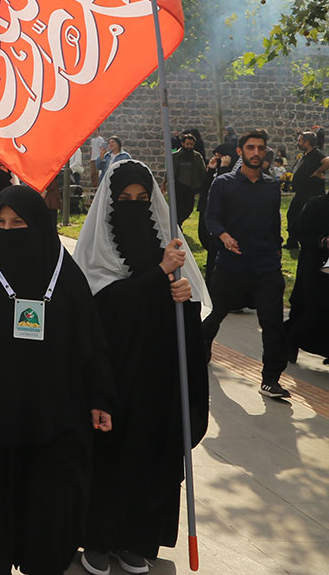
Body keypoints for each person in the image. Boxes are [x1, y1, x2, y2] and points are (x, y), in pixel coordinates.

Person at [0, 186, 115, 575]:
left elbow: (91, 341)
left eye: (19, 223)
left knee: (49, 512)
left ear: (39, 225)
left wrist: (99, 397)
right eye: (0, 223)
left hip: (56, 416)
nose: (8, 230)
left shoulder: (65, 274)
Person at [73, 160, 209, 575]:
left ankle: (137, 540)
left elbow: (187, 319)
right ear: (109, 204)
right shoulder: (97, 255)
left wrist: (184, 298)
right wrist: (159, 275)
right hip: (110, 378)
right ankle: (96, 540)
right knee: (107, 458)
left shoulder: (168, 249)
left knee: (149, 455)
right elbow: (103, 309)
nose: (134, 206)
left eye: (142, 200)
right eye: (124, 200)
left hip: (156, 376)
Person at [200, 131, 291, 399]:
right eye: (250, 148)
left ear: (265, 152)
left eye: (260, 148)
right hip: (232, 265)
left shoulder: (272, 185)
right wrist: (224, 236)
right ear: (240, 152)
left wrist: (277, 247)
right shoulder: (223, 183)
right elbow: (211, 218)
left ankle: (271, 379)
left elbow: (274, 220)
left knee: (273, 322)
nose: (256, 152)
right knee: (215, 314)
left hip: (266, 266)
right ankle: (202, 344)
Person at [287, 192, 329, 364]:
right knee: (310, 309)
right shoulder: (316, 204)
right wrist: (322, 241)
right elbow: (300, 231)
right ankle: (291, 340)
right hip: (315, 268)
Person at [286, 130, 329, 250]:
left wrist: (318, 171)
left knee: (306, 218)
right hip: (302, 192)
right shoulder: (306, 155)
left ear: (307, 142)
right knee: (292, 215)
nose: (297, 143)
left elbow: (328, 160)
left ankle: (308, 241)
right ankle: (293, 241)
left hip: (311, 193)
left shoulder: (316, 153)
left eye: (300, 141)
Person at [171, 133, 206, 225]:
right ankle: (178, 225)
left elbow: (202, 171)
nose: (189, 146)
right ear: (183, 144)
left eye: (191, 144)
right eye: (187, 144)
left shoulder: (197, 157)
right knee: (178, 209)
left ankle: (179, 223)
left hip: (191, 187)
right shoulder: (175, 156)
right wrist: (164, 184)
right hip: (178, 186)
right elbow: (169, 171)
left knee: (189, 209)